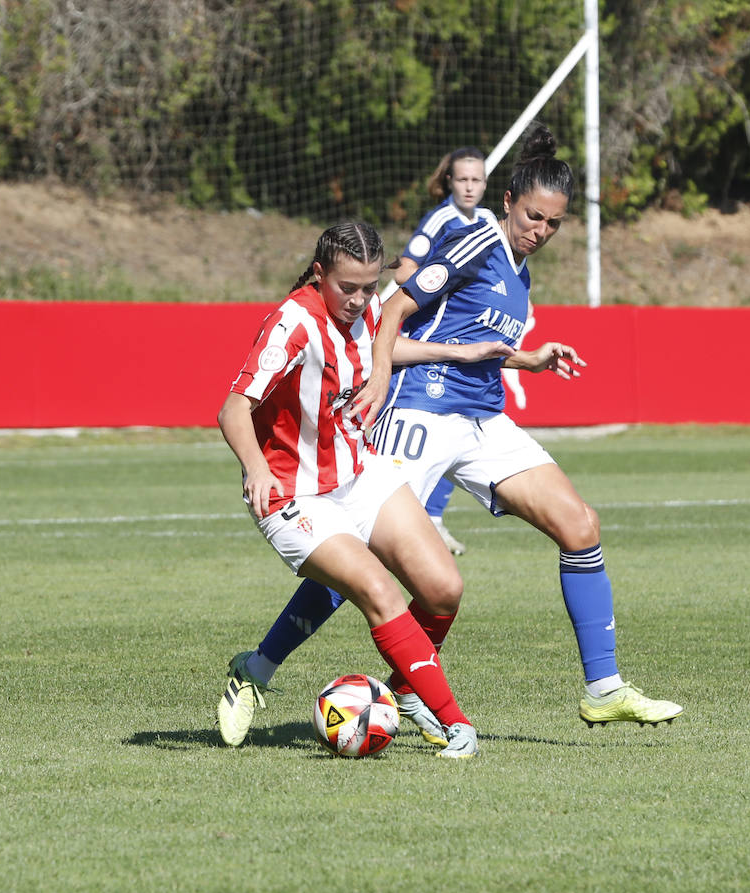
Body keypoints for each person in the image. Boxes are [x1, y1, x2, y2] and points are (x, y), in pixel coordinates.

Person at [240, 125, 684, 732]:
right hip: (420, 411)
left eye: (553, 224)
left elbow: (473, 342)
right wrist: (375, 380)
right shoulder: (475, 243)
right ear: (507, 202)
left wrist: (526, 358)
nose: (540, 231)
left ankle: (601, 687)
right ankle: (260, 667)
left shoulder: (520, 272)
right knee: (363, 554)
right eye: (533, 216)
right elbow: (395, 308)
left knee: (580, 525)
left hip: (482, 417)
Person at [214, 220, 513, 756]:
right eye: (346, 287)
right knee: (379, 590)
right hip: (292, 493)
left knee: (443, 587)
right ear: (319, 271)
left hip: (358, 472)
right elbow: (234, 407)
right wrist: (256, 469)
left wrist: (459, 354)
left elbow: (386, 342)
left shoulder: (366, 305)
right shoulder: (293, 324)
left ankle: (266, 669)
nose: (358, 300)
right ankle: (455, 724)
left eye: (369, 287)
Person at [389, 146, 499, 556]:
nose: (470, 186)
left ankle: (432, 516)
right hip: (433, 335)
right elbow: (405, 269)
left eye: (477, 180)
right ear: (449, 182)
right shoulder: (441, 219)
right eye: (462, 179)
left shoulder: (489, 221)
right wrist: (437, 294)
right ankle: (408, 517)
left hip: (470, 337)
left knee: (464, 421)